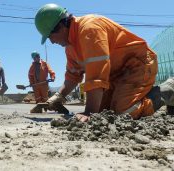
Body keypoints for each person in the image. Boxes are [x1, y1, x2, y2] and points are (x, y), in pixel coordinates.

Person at [34, 3, 174, 121]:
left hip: (137, 64)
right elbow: (73, 76)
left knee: (124, 112)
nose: (51, 41)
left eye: (50, 36)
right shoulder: (71, 47)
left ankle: (168, 89)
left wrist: (88, 112)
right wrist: (59, 97)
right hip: (115, 74)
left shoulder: (89, 29)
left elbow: (97, 73)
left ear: (60, 27)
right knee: (105, 113)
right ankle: (135, 94)